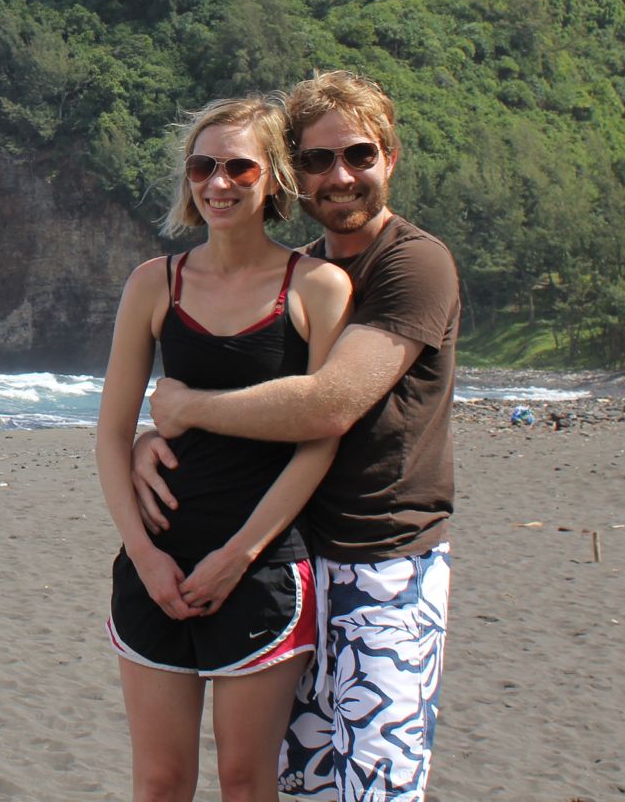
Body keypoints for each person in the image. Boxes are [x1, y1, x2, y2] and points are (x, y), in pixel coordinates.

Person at [134, 70, 461, 802]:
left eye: (359, 155)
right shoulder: (307, 272)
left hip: (386, 563)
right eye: (317, 160)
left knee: (377, 786)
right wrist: (148, 441)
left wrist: (185, 407)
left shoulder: (415, 263)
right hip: (300, 564)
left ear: (392, 159)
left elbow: (327, 407)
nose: (340, 175)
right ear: (297, 176)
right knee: (302, 787)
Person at [97, 95, 354, 801]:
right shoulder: (156, 283)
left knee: (246, 782)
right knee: (159, 782)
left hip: (262, 570)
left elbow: (319, 437)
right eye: (202, 166)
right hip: (154, 568)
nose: (218, 183)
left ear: (272, 176)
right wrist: (145, 557)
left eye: (238, 166)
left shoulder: (318, 289)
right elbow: (114, 434)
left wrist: (238, 556)